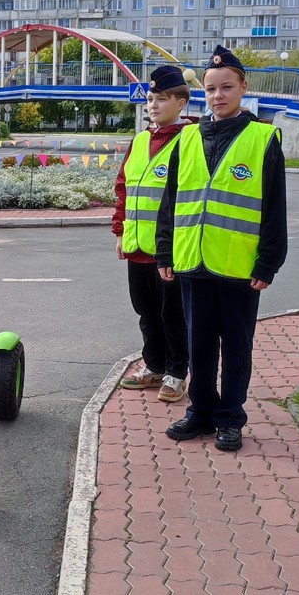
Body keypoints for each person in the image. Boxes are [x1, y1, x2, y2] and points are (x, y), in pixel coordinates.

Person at [155, 45, 288, 452]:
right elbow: (170, 200)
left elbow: (274, 207)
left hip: (238, 266)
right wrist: (165, 251)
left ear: (243, 88)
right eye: (211, 89)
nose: (218, 96)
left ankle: (230, 417)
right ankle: (201, 412)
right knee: (198, 344)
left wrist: (269, 261)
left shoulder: (263, 138)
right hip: (192, 260)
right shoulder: (188, 137)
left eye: (226, 87)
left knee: (235, 346)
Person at [113, 66, 195, 403]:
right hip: (137, 247)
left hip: (170, 250)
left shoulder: (189, 140)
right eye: (150, 99)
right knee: (146, 312)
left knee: (172, 315)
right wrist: (120, 231)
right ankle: (155, 365)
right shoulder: (141, 140)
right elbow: (124, 188)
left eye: (162, 99)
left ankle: (177, 373)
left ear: (181, 103)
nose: (153, 105)